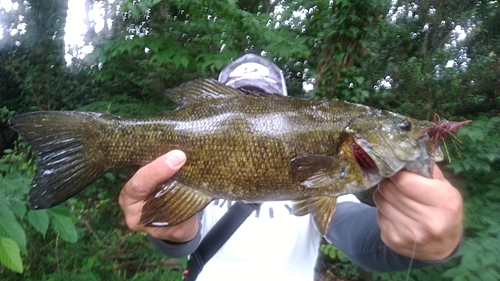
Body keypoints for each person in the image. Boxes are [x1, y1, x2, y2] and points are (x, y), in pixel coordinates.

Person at [118, 54, 463, 281]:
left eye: (263, 102)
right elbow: (183, 239)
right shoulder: (189, 173)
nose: (252, 115)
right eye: (240, 101)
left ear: (284, 103)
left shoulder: (333, 179)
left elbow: (362, 239)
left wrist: (427, 244)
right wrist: (172, 235)